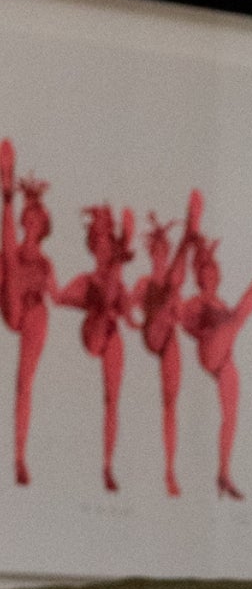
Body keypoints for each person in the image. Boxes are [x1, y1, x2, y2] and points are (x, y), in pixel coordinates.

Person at [179, 217, 252, 501]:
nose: (211, 276)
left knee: (230, 416)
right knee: (237, 318)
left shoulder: (220, 302)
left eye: (214, 271)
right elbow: (185, 323)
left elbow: (231, 327)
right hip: (209, 351)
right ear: (200, 277)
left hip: (224, 357)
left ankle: (224, 474)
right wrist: (199, 325)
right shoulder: (195, 301)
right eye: (206, 272)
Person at [58, 200, 138, 494]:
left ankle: (107, 465)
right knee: (105, 297)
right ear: (94, 247)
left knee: (112, 400)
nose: (102, 249)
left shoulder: (116, 281)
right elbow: (63, 296)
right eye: (100, 244)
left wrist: (135, 315)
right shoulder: (88, 279)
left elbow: (130, 316)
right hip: (93, 331)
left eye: (108, 244)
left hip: (111, 332)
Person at [132, 199, 198, 499]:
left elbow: (184, 318)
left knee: (170, 404)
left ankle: (170, 469)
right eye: (156, 250)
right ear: (152, 252)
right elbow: (129, 307)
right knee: (171, 286)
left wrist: (180, 317)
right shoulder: (146, 283)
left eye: (164, 250)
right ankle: (189, 233)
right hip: (152, 332)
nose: (160, 253)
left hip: (168, 335)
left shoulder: (171, 284)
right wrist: (135, 320)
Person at [4, 157, 55, 488]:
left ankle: (20, 458)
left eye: (37, 215)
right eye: (28, 213)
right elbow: (7, 258)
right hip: (10, 301)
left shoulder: (46, 263)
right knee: (8, 257)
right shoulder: (9, 249)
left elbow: (61, 294)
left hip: (34, 313)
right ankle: (4, 194)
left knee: (24, 384)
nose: (32, 219)